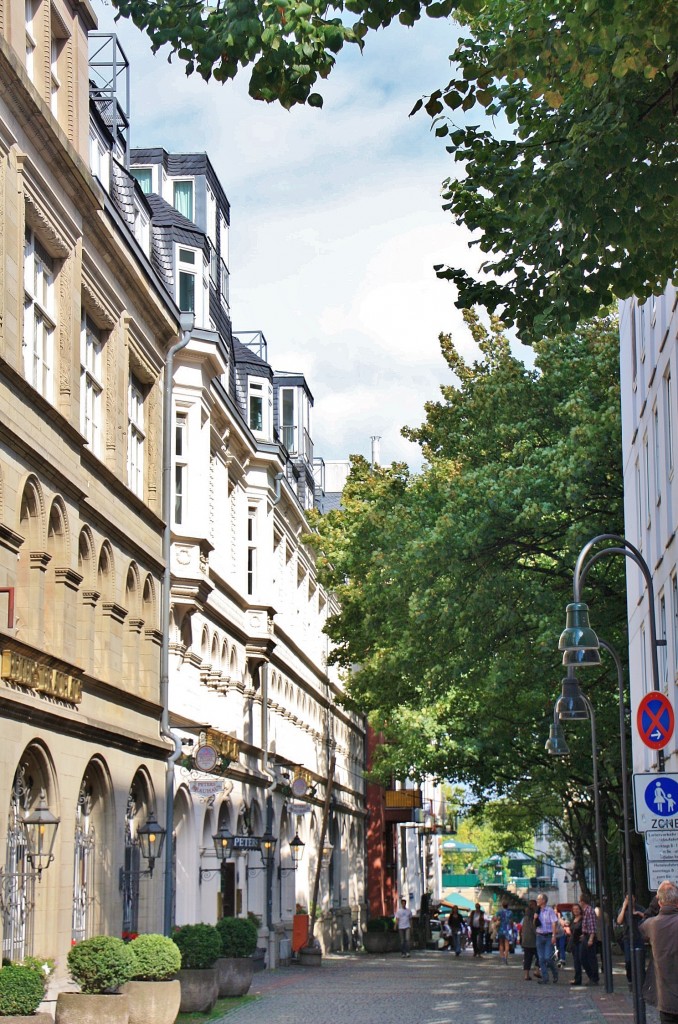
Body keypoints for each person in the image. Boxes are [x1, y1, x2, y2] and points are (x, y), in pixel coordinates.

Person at [639, 879, 678, 1024]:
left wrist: (654, 902)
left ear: (660, 903)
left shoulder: (652, 925)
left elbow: (642, 922)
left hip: (666, 1000)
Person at [617, 894, 646, 991]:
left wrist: (638, 913)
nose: (629, 900)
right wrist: (624, 907)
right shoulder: (623, 909)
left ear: (634, 898)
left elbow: (647, 917)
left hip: (639, 937)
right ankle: (630, 980)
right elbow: (619, 921)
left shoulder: (640, 908)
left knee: (640, 961)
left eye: (631, 898)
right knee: (628, 961)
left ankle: (642, 983)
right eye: (627, 898)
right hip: (627, 938)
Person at [534, 893, 559, 984]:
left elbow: (554, 923)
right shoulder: (537, 911)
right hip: (539, 936)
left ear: (543, 900)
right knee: (541, 958)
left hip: (548, 936)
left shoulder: (549, 910)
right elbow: (535, 925)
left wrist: (553, 936)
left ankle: (555, 972)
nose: (537, 900)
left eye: (538, 899)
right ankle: (545, 978)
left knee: (547, 957)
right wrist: (535, 918)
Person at [579, 892, 599, 985]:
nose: (579, 902)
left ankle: (594, 977)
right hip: (586, 936)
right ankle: (592, 977)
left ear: (583, 901)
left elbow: (592, 926)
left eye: (580, 901)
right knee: (584, 957)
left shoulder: (589, 910)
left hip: (589, 936)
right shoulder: (586, 911)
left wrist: (591, 938)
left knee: (590, 958)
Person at [521, 899, 538, 980]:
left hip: (526, 939)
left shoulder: (525, 915)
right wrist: (538, 934)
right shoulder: (532, 915)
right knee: (539, 956)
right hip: (533, 939)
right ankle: (537, 970)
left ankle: (526, 975)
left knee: (527, 957)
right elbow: (533, 927)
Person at [568, 903, 584, 986]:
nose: (575, 911)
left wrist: (584, 935)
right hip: (574, 942)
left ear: (580, 910)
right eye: (574, 909)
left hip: (580, 942)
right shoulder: (573, 919)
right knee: (575, 962)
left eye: (577, 909)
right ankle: (577, 978)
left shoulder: (583, 919)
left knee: (579, 961)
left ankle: (578, 979)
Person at [495, 898, 513, 965]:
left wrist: (498, 920)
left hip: (501, 929)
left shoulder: (499, 912)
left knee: (501, 944)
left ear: (502, 905)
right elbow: (511, 921)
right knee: (507, 944)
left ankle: (502, 957)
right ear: (507, 905)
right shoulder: (510, 912)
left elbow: (495, 919)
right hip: (507, 929)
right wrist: (512, 929)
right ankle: (506, 957)